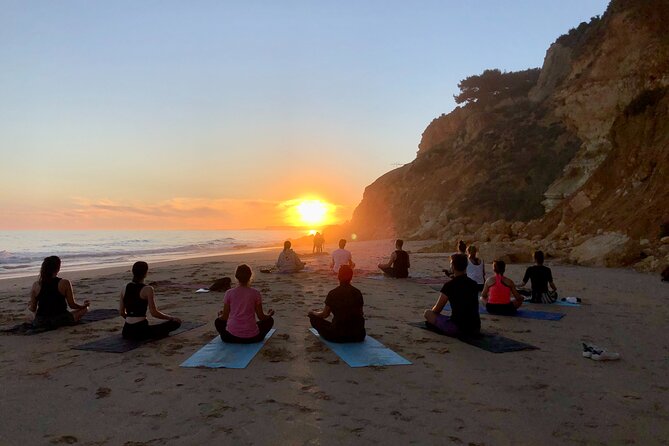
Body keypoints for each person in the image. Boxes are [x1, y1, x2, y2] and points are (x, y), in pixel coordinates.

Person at [119, 261, 182, 340]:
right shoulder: (148, 289)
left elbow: (121, 312)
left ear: (133, 272)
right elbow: (154, 313)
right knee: (176, 323)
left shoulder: (124, 287)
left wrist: (131, 320)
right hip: (141, 330)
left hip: (126, 331)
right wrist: (170, 318)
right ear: (145, 273)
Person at [215, 264, 274, 343]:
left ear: (236, 277)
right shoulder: (255, 293)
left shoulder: (229, 293)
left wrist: (219, 315)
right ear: (250, 276)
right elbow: (261, 317)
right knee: (270, 321)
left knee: (218, 322)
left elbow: (224, 317)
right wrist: (269, 315)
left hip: (230, 337)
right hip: (253, 338)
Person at [424, 254, 480, 337]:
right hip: (475, 327)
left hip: (458, 328)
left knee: (427, 313)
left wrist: (433, 313)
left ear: (453, 266)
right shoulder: (474, 284)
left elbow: (437, 310)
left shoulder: (449, 285)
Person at [28, 256, 90, 329]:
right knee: (85, 309)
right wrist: (83, 306)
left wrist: (29, 305)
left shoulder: (36, 285)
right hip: (61, 320)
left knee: (31, 315)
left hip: (41, 322)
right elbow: (72, 305)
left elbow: (33, 309)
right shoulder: (64, 283)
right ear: (58, 268)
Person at [308, 265, 365, 342]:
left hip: (338, 335)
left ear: (338, 277)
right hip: (358, 335)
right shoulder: (357, 292)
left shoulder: (333, 293)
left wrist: (313, 313)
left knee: (313, 318)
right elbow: (361, 313)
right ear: (351, 277)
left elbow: (325, 315)